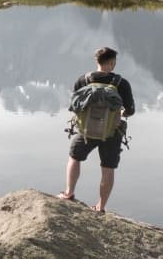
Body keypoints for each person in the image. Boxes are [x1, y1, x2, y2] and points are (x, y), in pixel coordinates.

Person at [58, 46, 135, 213]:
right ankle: (100, 207)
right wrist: (121, 112)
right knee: (107, 168)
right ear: (113, 63)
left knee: (74, 157)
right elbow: (130, 111)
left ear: (97, 61)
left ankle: (69, 193)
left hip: (85, 131)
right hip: (112, 132)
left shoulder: (83, 80)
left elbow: (74, 105)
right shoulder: (121, 83)